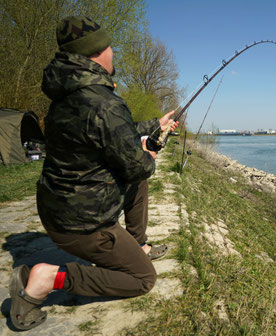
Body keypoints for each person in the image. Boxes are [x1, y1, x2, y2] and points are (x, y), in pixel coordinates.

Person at [8, 16, 178, 330]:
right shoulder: (104, 103)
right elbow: (138, 164)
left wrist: (156, 123)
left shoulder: (67, 95)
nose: (113, 52)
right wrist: (151, 150)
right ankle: (45, 279)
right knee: (143, 278)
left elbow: (112, 131)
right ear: (96, 52)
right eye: (109, 46)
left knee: (136, 184)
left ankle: (137, 246)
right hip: (82, 223)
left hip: (57, 208)